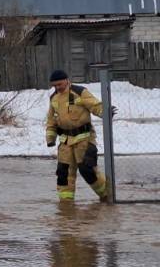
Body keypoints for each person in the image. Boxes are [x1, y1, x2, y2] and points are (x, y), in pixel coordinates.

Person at [45, 69, 113, 202]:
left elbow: (95, 105)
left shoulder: (79, 92)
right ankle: (66, 206)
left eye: (60, 84)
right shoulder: (54, 98)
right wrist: (50, 138)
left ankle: (107, 196)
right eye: (55, 85)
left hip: (84, 138)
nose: (57, 87)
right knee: (63, 173)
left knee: (87, 170)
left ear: (66, 80)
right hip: (65, 141)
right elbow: (51, 119)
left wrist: (105, 112)